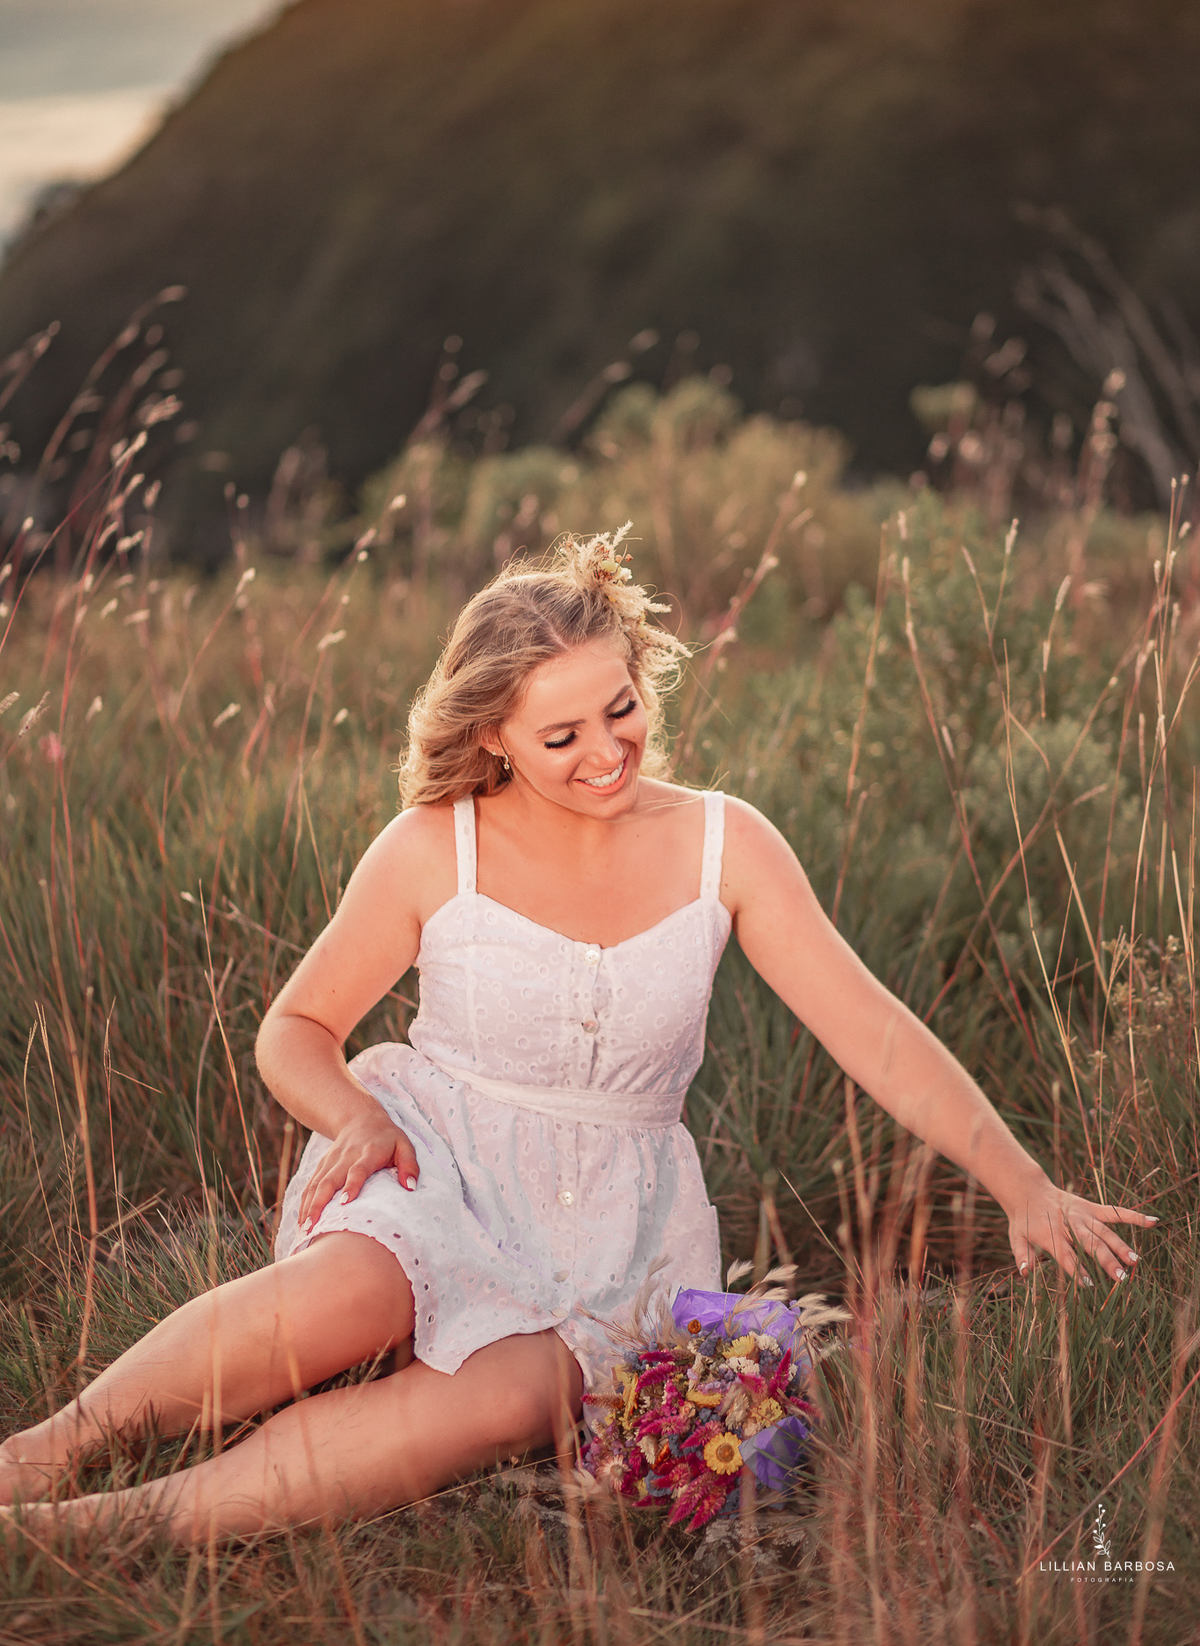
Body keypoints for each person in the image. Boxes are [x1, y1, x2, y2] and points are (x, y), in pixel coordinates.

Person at [0, 528, 1156, 1543]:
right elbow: (294, 1028)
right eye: (560, 737)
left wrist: (1023, 1184)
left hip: (620, 1223)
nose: (606, 751)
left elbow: (878, 1034)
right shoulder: (431, 844)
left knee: (508, 1404)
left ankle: (110, 1527)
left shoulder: (726, 846)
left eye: (622, 709)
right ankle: (41, 1456)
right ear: (494, 737)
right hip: (431, 1162)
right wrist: (351, 1113)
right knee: (349, 1299)